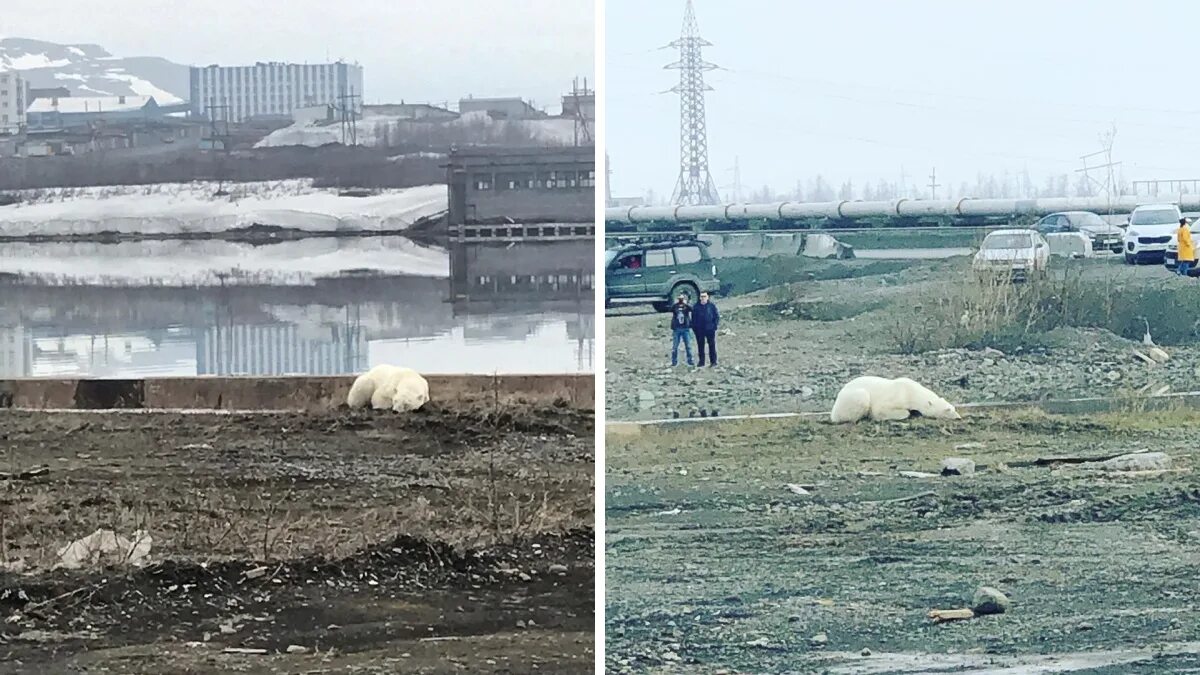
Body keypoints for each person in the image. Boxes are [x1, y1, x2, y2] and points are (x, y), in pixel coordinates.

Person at [691, 291, 720, 367]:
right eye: (701, 296)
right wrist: (695, 329)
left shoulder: (711, 306)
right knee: (700, 346)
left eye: (704, 296)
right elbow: (693, 319)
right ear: (699, 297)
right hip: (699, 330)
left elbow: (716, 316)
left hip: (710, 329)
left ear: (707, 297)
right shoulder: (696, 307)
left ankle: (713, 362)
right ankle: (701, 362)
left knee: (712, 346)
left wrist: (714, 326)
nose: (703, 298)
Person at [669, 293, 694, 367]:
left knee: (688, 346)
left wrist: (686, 304)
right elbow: (670, 309)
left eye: (682, 299)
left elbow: (692, 309)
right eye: (679, 299)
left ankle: (690, 361)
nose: (681, 300)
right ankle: (674, 362)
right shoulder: (675, 306)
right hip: (677, 328)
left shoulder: (686, 307)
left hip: (685, 328)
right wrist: (675, 303)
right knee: (675, 346)